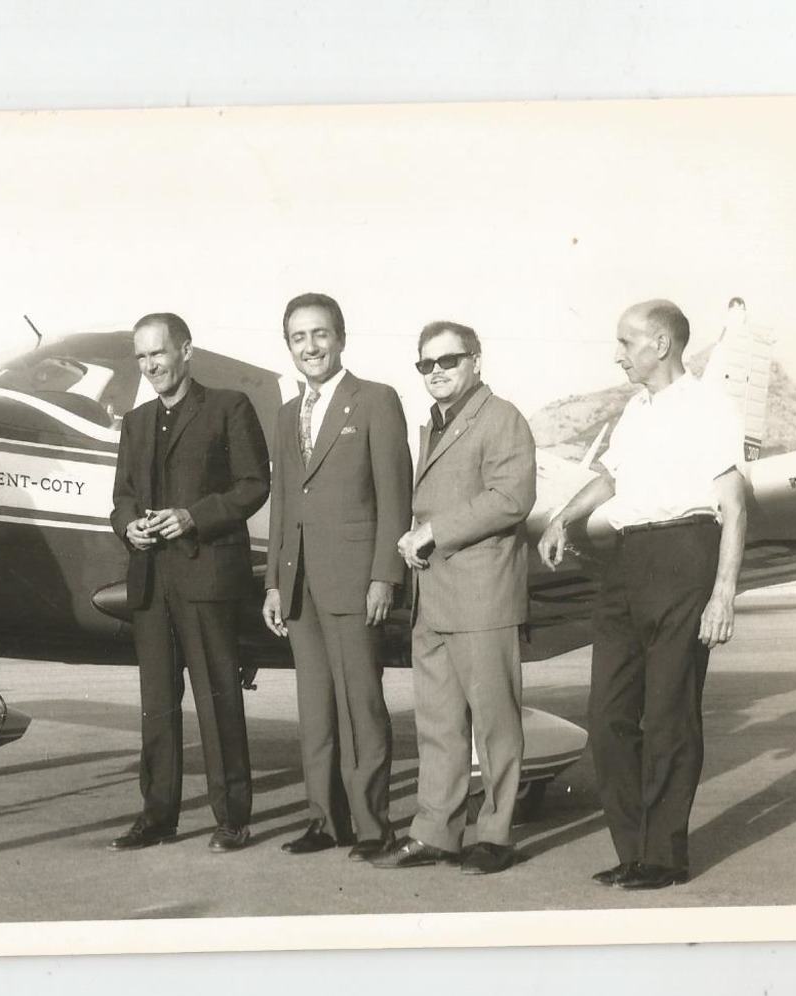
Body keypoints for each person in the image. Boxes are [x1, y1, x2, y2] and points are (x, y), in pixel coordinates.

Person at [537, 299, 747, 891]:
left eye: (627, 342)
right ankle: (633, 850)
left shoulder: (710, 408)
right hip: (625, 560)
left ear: (661, 344)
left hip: (685, 553)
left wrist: (723, 593)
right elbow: (609, 478)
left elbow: (734, 505)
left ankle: (664, 856)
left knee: (670, 716)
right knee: (607, 716)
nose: (618, 353)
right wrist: (561, 518)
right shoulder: (636, 409)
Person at [373, 321, 537, 873]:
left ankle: (495, 834)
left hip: (481, 595)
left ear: (476, 360)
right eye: (427, 365)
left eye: (449, 360)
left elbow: (512, 497)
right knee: (438, 724)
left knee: (495, 724)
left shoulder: (501, 417)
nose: (438, 372)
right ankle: (436, 832)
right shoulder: (435, 425)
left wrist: (431, 531)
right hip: (434, 598)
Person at [108, 313, 271, 852]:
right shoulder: (134, 423)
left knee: (218, 699)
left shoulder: (229, 407)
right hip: (151, 582)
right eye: (141, 357)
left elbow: (254, 486)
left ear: (185, 352)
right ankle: (157, 816)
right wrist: (128, 526)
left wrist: (194, 517)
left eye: (159, 353)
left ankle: (231, 818)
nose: (150, 365)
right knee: (156, 704)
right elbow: (122, 498)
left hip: (207, 578)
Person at [262, 293, 413, 860]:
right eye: (299, 337)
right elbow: (283, 503)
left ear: (341, 338)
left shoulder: (375, 400)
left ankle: (374, 826)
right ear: (289, 347)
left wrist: (385, 575)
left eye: (320, 334)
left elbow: (395, 495)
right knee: (315, 709)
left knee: (361, 707)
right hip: (298, 585)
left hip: (354, 580)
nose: (310, 347)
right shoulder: (284, 413)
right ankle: (326, 821)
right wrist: (274, 582)